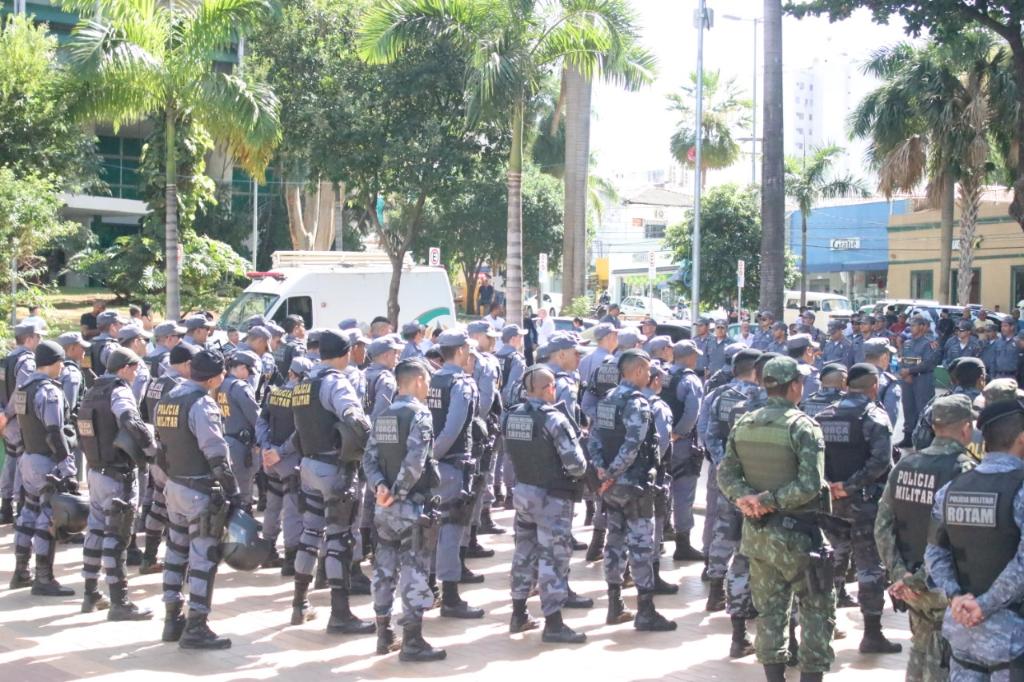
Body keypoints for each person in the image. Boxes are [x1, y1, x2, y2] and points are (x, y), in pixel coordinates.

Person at [718, 356, 834, 682]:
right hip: (799, 538)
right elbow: (810, 485)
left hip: (757, 535)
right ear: (794, 386)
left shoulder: (745, 423)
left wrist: (746, 499)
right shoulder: (803, 427)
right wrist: (767, 501)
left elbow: (725, 474)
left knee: (770, 613)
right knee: (817, 610)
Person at [875, 394, 976, 682]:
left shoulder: (905, 465)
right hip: (945, 590)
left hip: (911, 590)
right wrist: (917, 579)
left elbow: (882, 526)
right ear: (966, 428)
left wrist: (901, 574)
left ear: (933, 426)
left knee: (919, 653)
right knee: (946, 665)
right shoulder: (965, 470)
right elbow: (960, 538)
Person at [925, 399, 1024, 680]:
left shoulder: (951, 490)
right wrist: (984, 605)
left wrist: (957, 598)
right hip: (1011, 638)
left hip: (962, 631)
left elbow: (934, 553)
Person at [286, 330, 374, 635]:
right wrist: (371, 445)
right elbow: (354, 418)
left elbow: (298, 429)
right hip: (334, 469)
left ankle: (299, 603)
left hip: (308, 466)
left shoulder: (303, 383)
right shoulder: (335, 381)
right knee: (340, 539)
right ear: (346, 353)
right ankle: (340, 613)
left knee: (310, 533)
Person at [362, 358, 447, 661]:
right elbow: (415, 462)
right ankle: (412, 641)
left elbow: (369, 459)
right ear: (419, 380)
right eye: (427, 382)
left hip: (384, 509)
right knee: (414, 571)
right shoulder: (420, 415)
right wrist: (397, 493)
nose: (428, 388)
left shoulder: (383, 414)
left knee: (383, 570)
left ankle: (384, 634)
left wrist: (380, 489)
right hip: (410, 507)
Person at [814, 363, 902, 654]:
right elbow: (881, 462)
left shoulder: (823, 415)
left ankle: (824, 624)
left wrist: (831, 485)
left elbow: (813, 458)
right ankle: (872, 634)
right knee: (869, 566)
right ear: (874, 386)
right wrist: (850, 485)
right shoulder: (875, 416)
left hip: (830, 502)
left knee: (831, 561)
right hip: (865, 504)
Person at [155, 349, 238, 648]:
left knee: (175, 553)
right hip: (198, 491)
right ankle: (196, 627)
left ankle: (171, 620)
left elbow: (160, 447)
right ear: (214, 378)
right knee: (203, 558)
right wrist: (234, 492)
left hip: (174, 486)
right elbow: (216, 454)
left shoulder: (169, 399)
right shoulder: (202, 404)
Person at [589, 349, 676, 632]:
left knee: (614, 542)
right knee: (641, 547)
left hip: (611, 487)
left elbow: (594, 438)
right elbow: (633, 445)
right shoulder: (638, 403)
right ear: (638, 370)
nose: (650, 375)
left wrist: (602, 471)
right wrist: (612, 473)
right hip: (633, 485)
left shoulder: (607, 399)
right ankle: (645, 611)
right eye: (648, 370)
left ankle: (615, 605)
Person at [504, 365, 588, 644]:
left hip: (523, 493)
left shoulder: (512, 416)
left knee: (523, 553)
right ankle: (553, 623)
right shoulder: (555, 419)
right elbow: (576, 465)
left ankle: (518, 614)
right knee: (553, 558)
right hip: (552, 498)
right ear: (547, 388)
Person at [76, 347, 157, 620]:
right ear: (124, 368)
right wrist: (150, 448)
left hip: (96, 471)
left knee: (96, 532)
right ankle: (120, 602)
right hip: (117, 475)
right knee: (117, 537)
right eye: (134, 368)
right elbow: (129, 419)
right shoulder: (119, 390)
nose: (136, 373)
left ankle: (90, 594)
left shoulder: (93, 390)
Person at [700, 348, 763, 658]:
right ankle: (749, 603)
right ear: (756, 370)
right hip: (756, 481)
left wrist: (723, 463)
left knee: (723, 531)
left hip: (724, 476)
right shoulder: (762, 397)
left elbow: (707, 433)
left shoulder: (718, 394)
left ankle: (715, 591)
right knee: (749, 546)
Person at [7, 340, 77, 596]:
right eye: (61, 363)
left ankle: (21, 572)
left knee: (27, 513)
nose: (63, 368)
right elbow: (54, 432)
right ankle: (44, 578)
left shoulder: (23, 387)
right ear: (55, 363)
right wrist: (67, 467)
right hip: (47, 461)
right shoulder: (49, 392)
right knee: (48, 517)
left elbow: (18, 423)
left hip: (27, 458)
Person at [255, 356, 312, 575]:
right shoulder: (301, 398)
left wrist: (267, 448)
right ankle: (290, 559)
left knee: (272, 506)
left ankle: (267, 551)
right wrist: (279, 452)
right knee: (292, 511)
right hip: (289, 460)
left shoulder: (274, 393)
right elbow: (300, 432)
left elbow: (262, 422)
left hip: (271, 459)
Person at [663, 340, 705, 563]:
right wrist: (679, 433)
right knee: (683, 492)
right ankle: (683, 544)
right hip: (681, 443)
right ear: (688, 356)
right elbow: (692, 413)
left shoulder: (662, 374)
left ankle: (659, 537)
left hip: (661, 442)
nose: (696, 359)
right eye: (694, 355)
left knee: (662, 489)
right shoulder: (690, 380)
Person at [216, 351, 261, 513]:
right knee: (244, 487)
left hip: (227, 439)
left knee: (232, 487)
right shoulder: (240, 387)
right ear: (241, 367)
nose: (249, 375)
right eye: (248, 371)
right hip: (242, 445)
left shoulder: (223, 385)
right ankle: (244, 519)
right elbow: (256, 418)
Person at [913, 357, 986, 452]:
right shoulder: (990, 405)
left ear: (955, 380)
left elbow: (919, 440)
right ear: (981, 379)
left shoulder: (938, 404)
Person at [899, 315, 941, 447]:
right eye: (910, 325)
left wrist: (910, 371)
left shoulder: (929, 344)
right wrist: (904, 372)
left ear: (922, 327)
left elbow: (929, 363)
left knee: (922, 409)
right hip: (908, 380)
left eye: (914, 325)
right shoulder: (907, 343)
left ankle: (924, 438)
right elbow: (902, 359)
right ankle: (908, 435)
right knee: (908, 407)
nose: (911, 328)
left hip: (923, 379)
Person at [88, 310, 127, 375]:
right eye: (121, 324)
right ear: (112, 327)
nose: (123, 327)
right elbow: (119, 374)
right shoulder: (111, 348)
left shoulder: (90, 343)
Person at [786, 333, 821, 401]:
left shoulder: (779, 369)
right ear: (808, 350)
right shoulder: (810, 373)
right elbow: (808, 402)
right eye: (812, 349)